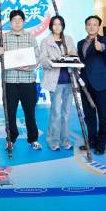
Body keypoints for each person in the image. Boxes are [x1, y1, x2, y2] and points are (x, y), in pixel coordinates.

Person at [0, 10, 42, 150]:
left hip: (28, 81)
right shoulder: (3, 37)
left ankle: (33, 139)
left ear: (24, 22)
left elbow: (38, 56)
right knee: (10, 113)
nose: (17, 22)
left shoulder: (30, 37)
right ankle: (11, 139)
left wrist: (30, 66)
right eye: (14, 20)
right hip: (9, 81)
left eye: (19, 20)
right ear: (10, 22)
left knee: (30, 112)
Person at [40, 15, 77, 151]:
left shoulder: (69, 39)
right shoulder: (46, 41)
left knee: (66, 113)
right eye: (54, 24)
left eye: (59, 24)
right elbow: (42, 60)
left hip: (69, 80)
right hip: (54, 81)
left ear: (63, 26)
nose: (57, 27)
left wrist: (70, 57)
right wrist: (53, 62)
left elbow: (75, 55)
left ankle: (65, 140)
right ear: (51, 26)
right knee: (55, 112)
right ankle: (53, 141)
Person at [77, 15, 106, 155]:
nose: (91, 27)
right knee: (89, 115)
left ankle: (101, 144)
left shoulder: (105, 40)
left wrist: (101, 47)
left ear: (98, 27)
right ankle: (91, 141)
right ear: (85, 26)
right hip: (85, 84)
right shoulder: (80, 43)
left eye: (94, 24)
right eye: (89, 24)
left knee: (103, 115)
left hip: (101, 84)